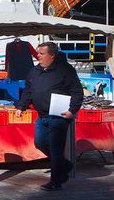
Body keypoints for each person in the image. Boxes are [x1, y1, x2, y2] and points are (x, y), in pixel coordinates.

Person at [15, 42, 83, 191]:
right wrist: (21, 106)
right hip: (42, 115)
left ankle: (55, 181)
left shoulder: (65, 70)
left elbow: (77, 91)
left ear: (52, 55)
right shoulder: (34, 71)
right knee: (39, 143)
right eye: (38, 53)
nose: (37, 55)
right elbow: (28, 91)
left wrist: (72, 110)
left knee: (55, 148)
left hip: (59, 116)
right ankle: (65, 165)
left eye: (41, 53)